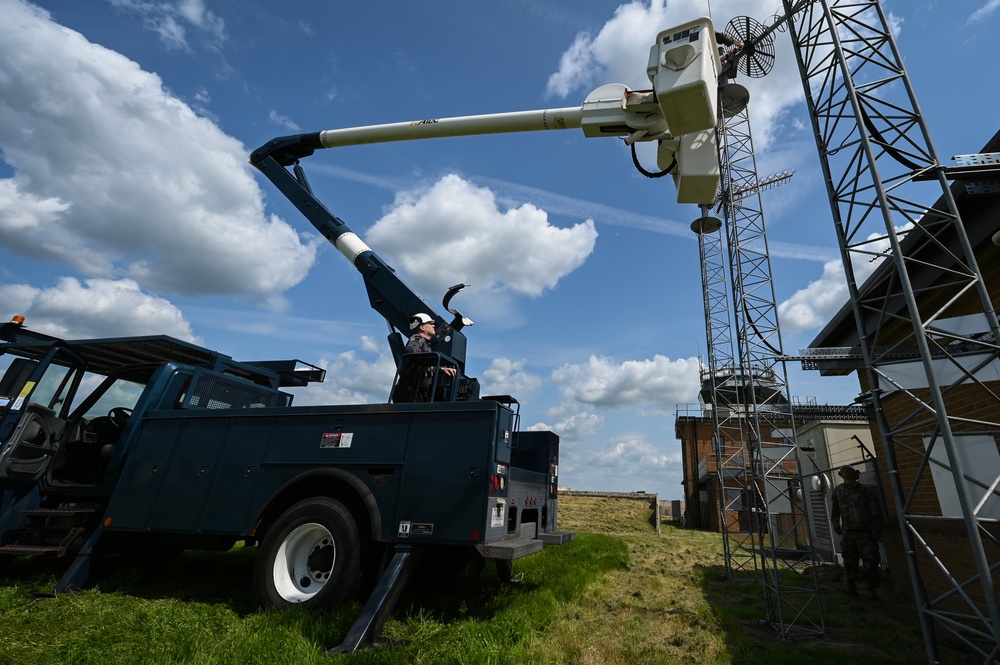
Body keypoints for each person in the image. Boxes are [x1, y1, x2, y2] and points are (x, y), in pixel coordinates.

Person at [830, 464, 884, 598]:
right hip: (848, 532)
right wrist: (836, 525)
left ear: (856, 474)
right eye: (844, 471)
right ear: (841, 475)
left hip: (865, 532)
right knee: (849, 561)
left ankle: (871, 589)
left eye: (849, 471)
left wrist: (876, 530)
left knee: (871, 561)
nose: (847, 473)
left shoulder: (865, 490)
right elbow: (835, 511)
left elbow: (875, 511)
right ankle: (851, 586)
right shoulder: (838, 491)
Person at [391, 313, 457, 403]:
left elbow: (425, 366)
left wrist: (441, 369)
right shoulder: (417, 338)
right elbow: (411, 351)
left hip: (417, 393)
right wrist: (423, 362)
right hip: (409, 393)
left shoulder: (427, 345)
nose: (434, 325)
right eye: (430, 323)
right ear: (422, 327)